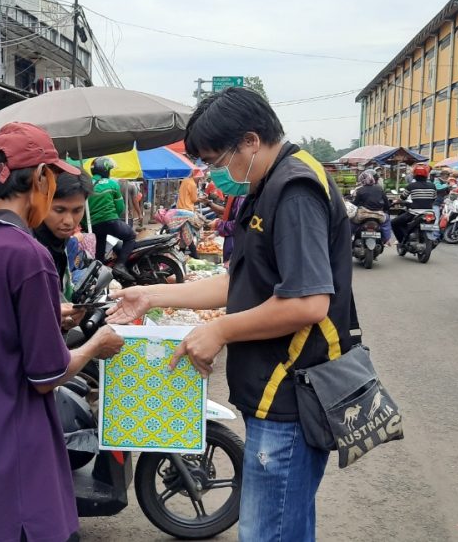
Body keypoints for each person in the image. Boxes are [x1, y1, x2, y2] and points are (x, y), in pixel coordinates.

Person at [107, 87, 356, 541]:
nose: (212, 172)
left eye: (214, 160)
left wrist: (220, 329)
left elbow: (308, 302)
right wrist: (151, 295)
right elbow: (242, 283)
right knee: (286, 528)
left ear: (250, 141)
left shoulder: (293, 190)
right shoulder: (269, 185)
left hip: (290, 394)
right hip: (276, 389)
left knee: (268, 533)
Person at [0, 122, 124, 542]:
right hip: (19, 456)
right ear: (40, 178)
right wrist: (96, 344)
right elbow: (46, 376)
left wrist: (50, 317)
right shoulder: (30, 256)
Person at [34, 171, 95, 329]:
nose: (69, 221)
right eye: (59, 210)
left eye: (77, 210)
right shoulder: (29, 247)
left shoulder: (63, 241)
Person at [88, 157, 137, 281]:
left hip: (93, 225)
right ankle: (120, 265)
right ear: (105, 170)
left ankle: (98, 274)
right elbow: (120, 208)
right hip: (111, 221)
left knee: (100, 248)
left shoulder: (86, 185)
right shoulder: (112, 184)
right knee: (130, 236)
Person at [391, 163, 437, 244]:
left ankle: (402, 242)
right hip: (429, 213)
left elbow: (402, 198)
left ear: (414, 175)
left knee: (394, 223)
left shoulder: (411, 186)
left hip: (414, 213)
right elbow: (433, 198)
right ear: (427, 175)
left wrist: (397, 201)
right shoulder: (432, 186)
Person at [352, 170, 392, 244]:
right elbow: (386, 203)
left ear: (362, 181)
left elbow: (355, 204)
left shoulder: (360, 190)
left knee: (352, 222)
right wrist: (386, 210)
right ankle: (387, 240)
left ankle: (349, 237)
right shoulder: (380, 189)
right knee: (386, 221)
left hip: (363, 215)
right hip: (378, 215)